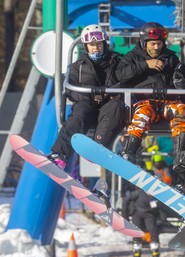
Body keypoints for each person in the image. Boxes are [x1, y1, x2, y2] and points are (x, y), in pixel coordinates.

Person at [115, 22, 185, 174]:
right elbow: (120, 75)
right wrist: (145, 65)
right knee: (142, 115)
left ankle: (179, 154)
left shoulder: (171, 58)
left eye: (159, 44)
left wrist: (180, 80)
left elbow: (181, 87)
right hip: (144, 101)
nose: (156, 48)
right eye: (152, 44)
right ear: (144, 42)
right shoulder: (133, 57)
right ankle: (129, 152)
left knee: (182, 111)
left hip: (167, 102)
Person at [49, 24, 127, 174]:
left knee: (116, 106)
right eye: (91, 45)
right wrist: (90, 95)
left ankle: (96, 149)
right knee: (79, 114)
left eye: (98, 44)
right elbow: (70, 88)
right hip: (87, 104)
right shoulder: (78, 66)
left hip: (108, 105)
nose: (95, 48)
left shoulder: (117, 62)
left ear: (104, 44)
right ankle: (60, 154)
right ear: (86, 47)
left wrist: (110, 93)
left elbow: (125, 81)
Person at [122, 188, 161, 257]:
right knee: (136, 231)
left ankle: (155, 252)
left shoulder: (154, 195)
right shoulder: (138, 192)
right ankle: (137, 253)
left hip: (149, 215)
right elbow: (127, 199)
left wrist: (161, 217)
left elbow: (158, 208)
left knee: (153, 230)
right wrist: (125, 214)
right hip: (137, 214)